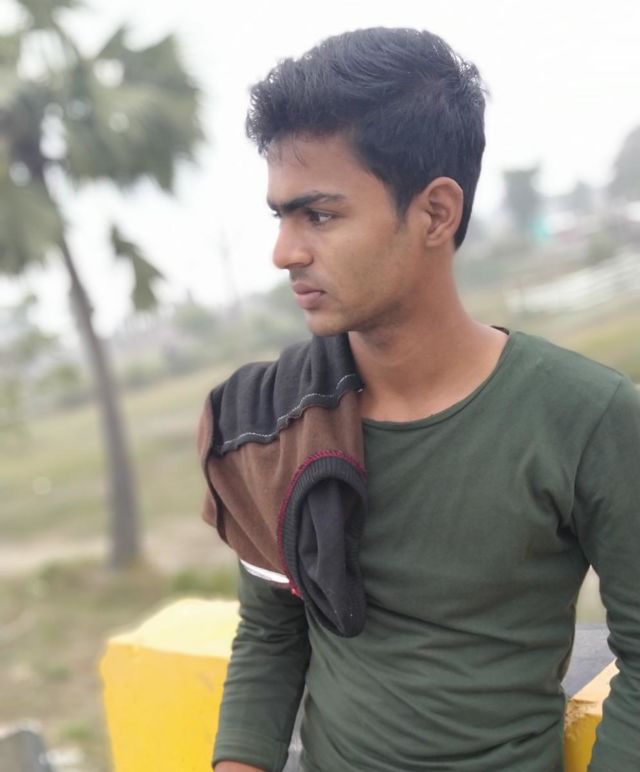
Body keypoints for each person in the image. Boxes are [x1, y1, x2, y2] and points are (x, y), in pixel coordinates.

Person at [197, 27, 640, 772]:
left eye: (320, 215)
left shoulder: (584, 416)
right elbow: (272, 634)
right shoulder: (282, 418)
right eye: (281, 216)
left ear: (435, 212)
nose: (285, 252)